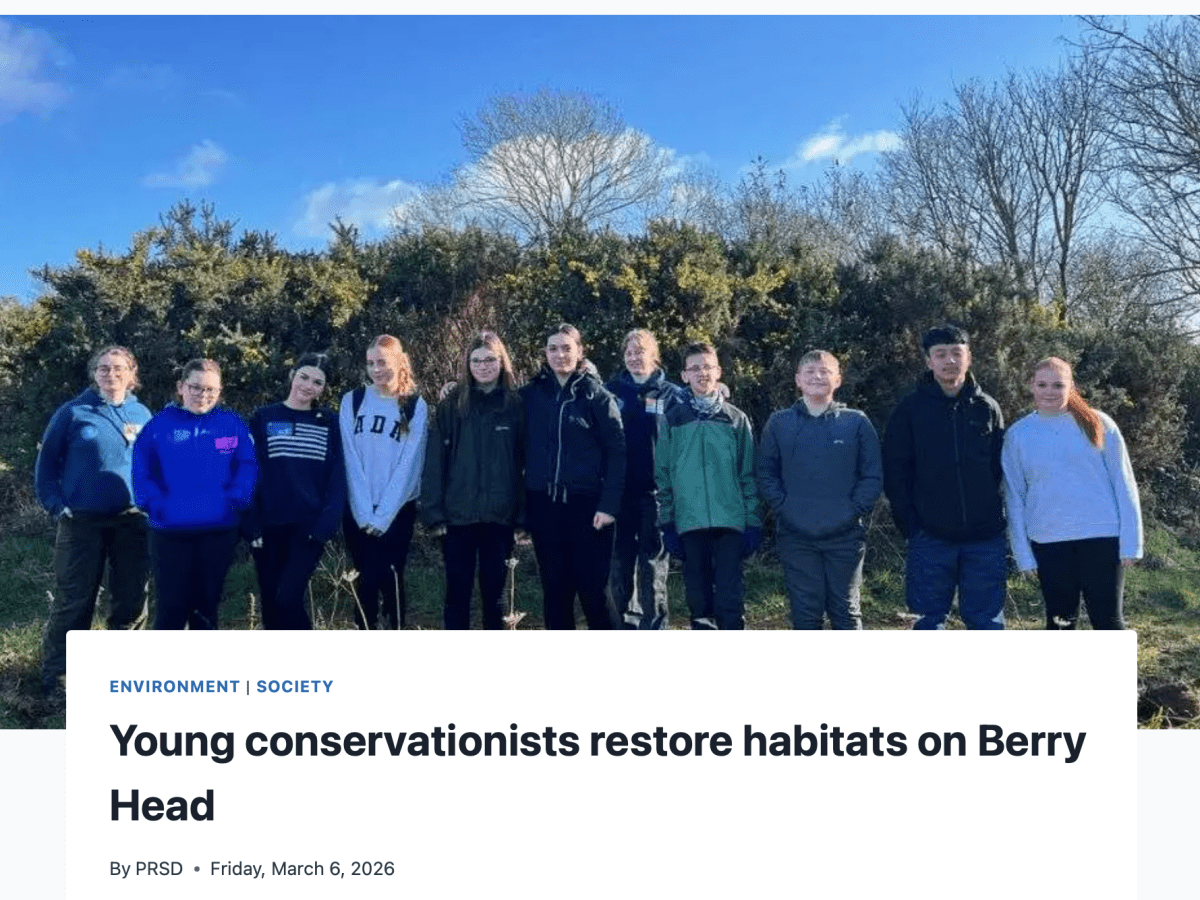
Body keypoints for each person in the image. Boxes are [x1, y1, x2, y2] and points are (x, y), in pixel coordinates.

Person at [34, 346, 152, 695]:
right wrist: (57, 506)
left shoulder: (142, 413)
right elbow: (46, 466)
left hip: (131, 522)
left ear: (131, 374)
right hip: (82, 522)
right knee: (75, 600)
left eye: (118, 368)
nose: (110, 374)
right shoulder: (73, 412)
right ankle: (58, 677)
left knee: (131, 599)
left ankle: (121, 677)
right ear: (94, 373)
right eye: (103, 368)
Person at [1001, 356, 1142, 630]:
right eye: (1042, 384)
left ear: (1072, 386)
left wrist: (1131, 543)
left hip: (1102, 539)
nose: (1049, 392)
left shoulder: (1100, 423)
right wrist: (1023, 554)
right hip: (1049, 543)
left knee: (1109, 622)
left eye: (1058, 385)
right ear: (1031, 386)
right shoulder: (1018, 435)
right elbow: (1015, 499)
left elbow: (1124, 483)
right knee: (1060, 624)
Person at [882, 325, 1007, 630]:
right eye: (940, 354)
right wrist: (912, 526)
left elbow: (999, 469)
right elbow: (896, 473)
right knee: (927, 623)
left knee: (987, 624)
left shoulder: (987, 408)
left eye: (956, 353)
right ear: (929, 361)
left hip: (984, 539)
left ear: (969, 357)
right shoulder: (909, 411)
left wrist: (994, 516)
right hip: (930, 537)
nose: (949, 360)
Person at [756, 350, 883, 630]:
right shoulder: (779, 422)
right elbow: (766, 473)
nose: (817, 376)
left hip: (845, 536)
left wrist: (851, 512)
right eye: (810, 371)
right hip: (796, 536)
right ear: (798, 380)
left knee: (846, 612)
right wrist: (786, 508)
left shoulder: (857, 422)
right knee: (805, 614)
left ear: (837, 379)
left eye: (825, 371)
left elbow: (872, 476)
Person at [132, 359, 257, 630]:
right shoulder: (159, 426)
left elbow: (246, 465)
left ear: (220, 391)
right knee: (170, 609)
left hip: (217, 530)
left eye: (211, 389)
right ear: (181, 387)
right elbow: (142, 471)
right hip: (169, 531)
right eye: (196, 387)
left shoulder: (231, 425)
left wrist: (236, 498)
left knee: (206, 610)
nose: (203, 395)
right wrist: (155, 504)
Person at [521, 324, 625, 630]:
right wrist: (454, 389)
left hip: (589, 510)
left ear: (580, 351)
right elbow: (491, 400)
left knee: (595, 594)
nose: (560, 354)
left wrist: (609, 506)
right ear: (545, 353)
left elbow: (617, 454)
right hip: (544, 507)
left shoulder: (597, 397)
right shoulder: (531, 395)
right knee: (555, 593)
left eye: (567, 348)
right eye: (553, 348)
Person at [421, 331, 524, 630]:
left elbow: (524, 465)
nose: (483, 366)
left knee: (496, 595)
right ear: (467, 364)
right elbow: (435, 462)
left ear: (502, 362)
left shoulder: (516, 406)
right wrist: (433, 513)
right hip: (457, 517)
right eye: (476, 360)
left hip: (500, 517)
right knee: (457, 593)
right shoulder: (452, 405)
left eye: (490, 359)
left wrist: (522, 517)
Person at [656, 342, 760, 630]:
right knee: (698, 599)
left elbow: (748, 473)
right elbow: (663, 475)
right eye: (695, 368)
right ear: (684, 375)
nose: (702, 373)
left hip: (730, 522)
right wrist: (667, 522)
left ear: (718, 371)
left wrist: (752, 521)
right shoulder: (673, 420)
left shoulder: (736, 419)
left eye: (707, 367)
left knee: (730, 599)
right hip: (689, 522)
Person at [246, 353, 346, 630]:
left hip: (308, 528)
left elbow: (338, 478)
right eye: (304, 377)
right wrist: (250, 523)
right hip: (268, 527)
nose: (308, 385)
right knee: (271, 604)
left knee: (287, 599)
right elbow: (248, 471)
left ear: (323, 389)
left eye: (317, 382)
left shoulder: (330, 423)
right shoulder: (265, 417)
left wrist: (326, 524)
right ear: (293, 375)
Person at [340, 335, 428, 630]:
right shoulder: (352, 400)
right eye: (371, 363)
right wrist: (364, 511)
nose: (376, 370)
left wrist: (384, 515)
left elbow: (410, 465)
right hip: (358, 508)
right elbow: (350, 459)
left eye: (383, 362)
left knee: (391, 576)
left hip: (397, 510)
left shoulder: (414, 405)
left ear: (399, 362)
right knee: (364, 578)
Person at [605, 329, 685, 630]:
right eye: (629, 352)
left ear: (654, 355)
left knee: (654, 565)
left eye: (640, 352)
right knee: (619, 563)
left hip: (657, 494)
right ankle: (622, 627)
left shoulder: (673, 395)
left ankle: (655, 628)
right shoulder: (611, 392)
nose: (634, 358)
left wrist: (720, 388)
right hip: (619, 493)